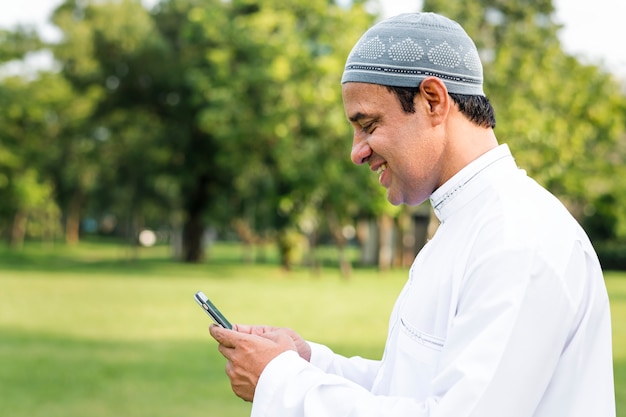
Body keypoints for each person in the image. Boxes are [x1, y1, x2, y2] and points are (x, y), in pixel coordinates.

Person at [209, 12, 615, 417]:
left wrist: (282, 383)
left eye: (368, 124)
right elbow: (412, 388)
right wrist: (306, 361)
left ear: (432, 101)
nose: (357, 152)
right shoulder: (472, 223)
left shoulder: (519, 238)